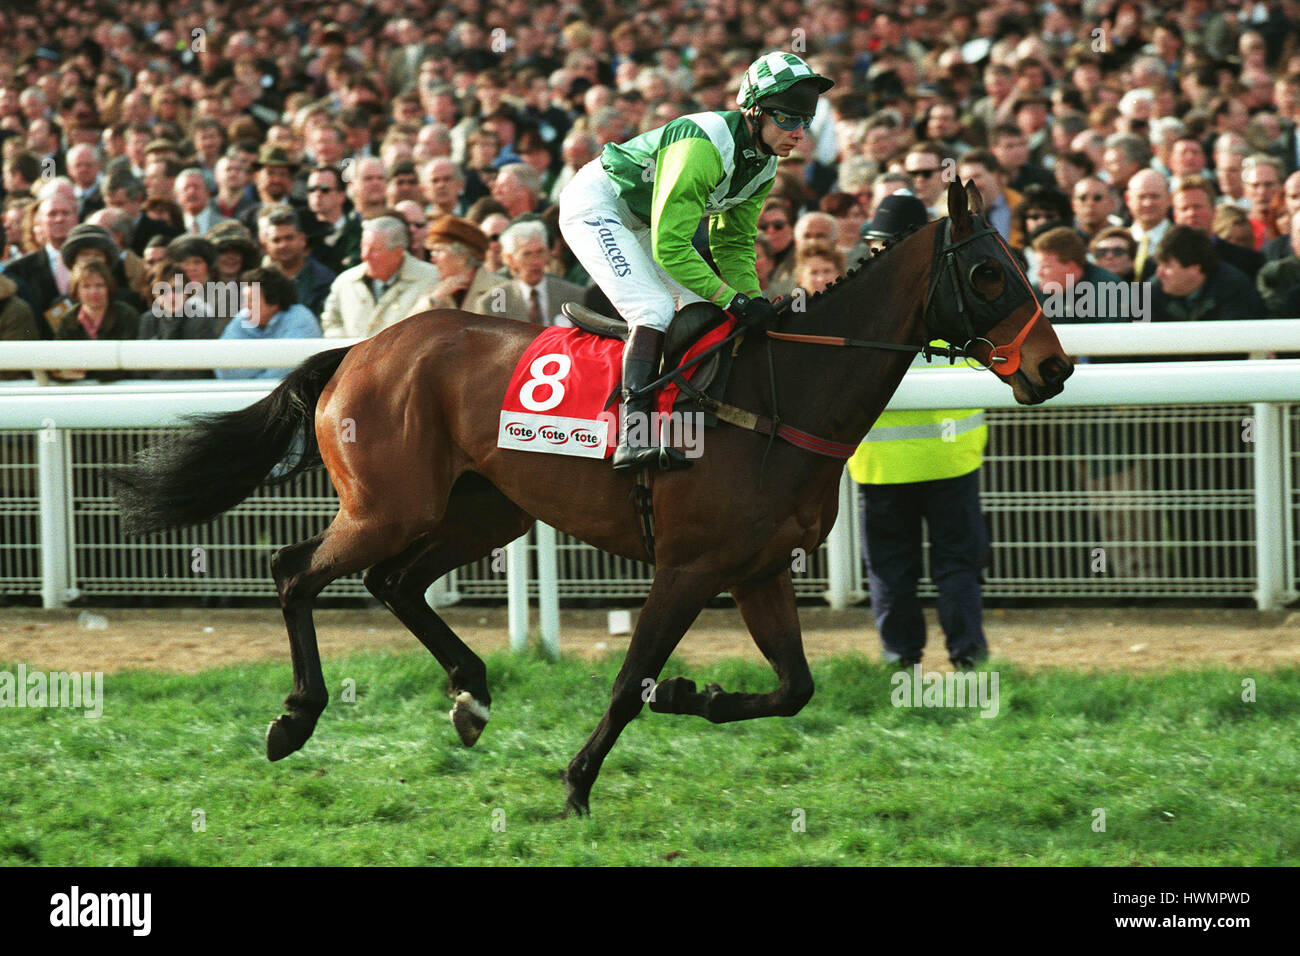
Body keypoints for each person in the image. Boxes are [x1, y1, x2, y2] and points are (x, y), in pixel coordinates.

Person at [558, 51, 834, 472]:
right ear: (754, 111)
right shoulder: (703, 147)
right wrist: (734, 299)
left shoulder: (764, 166)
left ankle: (681, 422)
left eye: (806, 122)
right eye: (788, 119)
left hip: (643, 219)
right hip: (599, 205)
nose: (799, 132)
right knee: (651, 308)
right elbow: (671, 248)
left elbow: (735, 243)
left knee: (699, 311)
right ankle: (633, 434)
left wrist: (751, 299)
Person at [847, 191, 990, 669]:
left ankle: (899, 661)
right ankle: (968, 658)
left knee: (890, 572)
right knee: (957, 567)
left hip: (881, 467)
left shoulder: (856, 301)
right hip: (952, 460)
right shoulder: (955, 297)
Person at [319, 214, 441, 338]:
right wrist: (345, 347)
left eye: (374, 250)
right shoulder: (346, 281)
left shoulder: (430, 280)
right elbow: (330, 322)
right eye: (363, 247)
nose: (365, 256)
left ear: (398, 252)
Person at [216, 266, 321, 380]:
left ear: (274, 302)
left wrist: (248, 363)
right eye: (244, 299)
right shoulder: (243, 316)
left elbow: (284, 375)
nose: (245, 305)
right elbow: (225, 370)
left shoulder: (300, 319)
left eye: (252, 300)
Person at [474, 218, 585, 324]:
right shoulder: (493, 303)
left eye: (540, 252)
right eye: (527, 254)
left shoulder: (575, 296)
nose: (535, 261)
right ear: (510, 259)